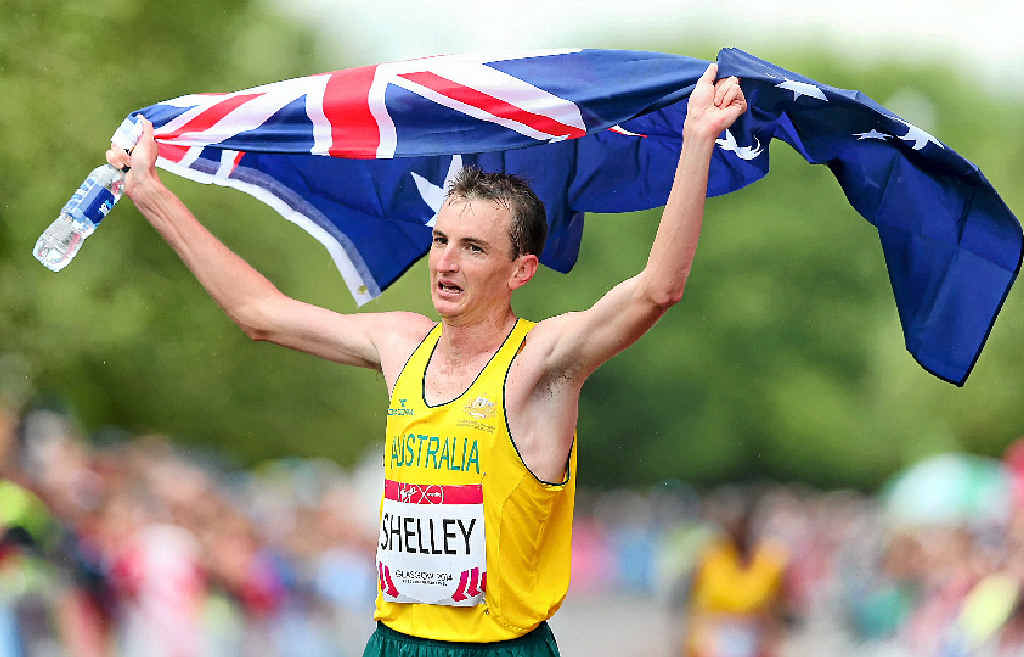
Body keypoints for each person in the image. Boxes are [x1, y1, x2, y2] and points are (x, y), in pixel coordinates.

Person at [106, 62, 747, 656]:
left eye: (472, 248)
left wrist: (695, 140)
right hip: (395, 640)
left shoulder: (541, 362)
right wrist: (153, 196)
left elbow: (656, 289)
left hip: (498, 648)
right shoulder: (400, 343)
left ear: (521, 269)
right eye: (440, 240)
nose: (444, 262)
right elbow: (262, 316)